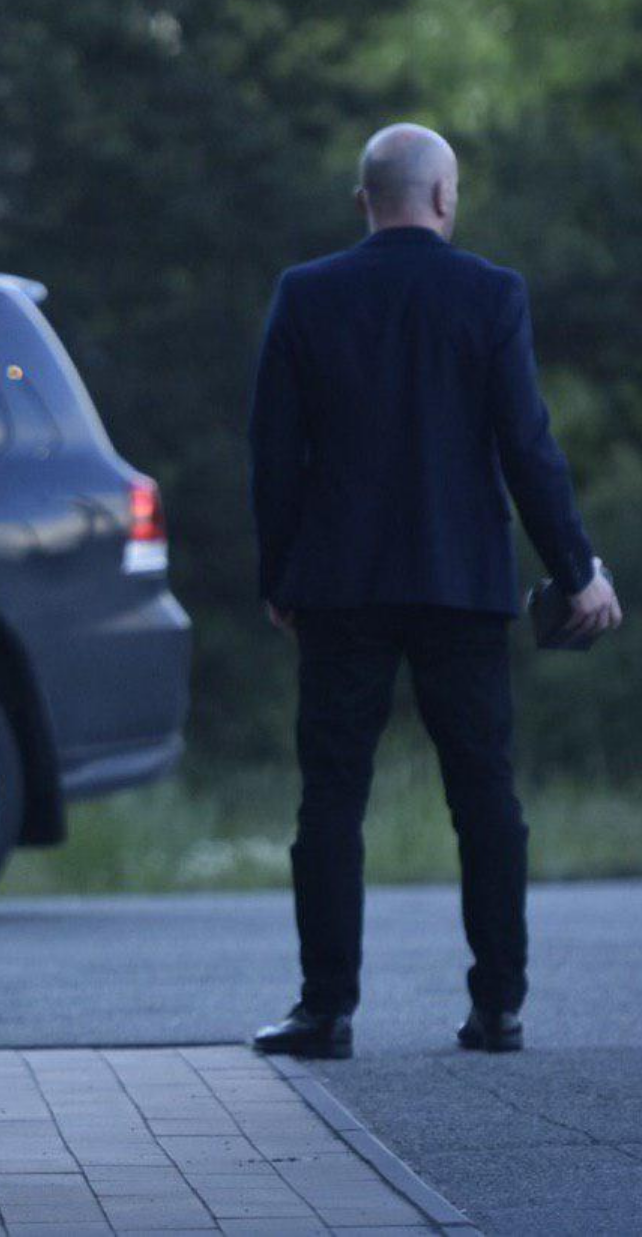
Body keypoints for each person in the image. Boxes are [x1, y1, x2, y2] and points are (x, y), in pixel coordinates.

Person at [247, 123, 622, 1060]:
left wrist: (280, 576)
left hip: (341, 586)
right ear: (446, 197)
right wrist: (578, 567)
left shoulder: (307, 293)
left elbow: (273, 453)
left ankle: (325, 1010)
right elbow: (527, 444)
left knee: (332, 797)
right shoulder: (491, 294)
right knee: (485, 796)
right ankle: (498, 1006)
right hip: (462, 583)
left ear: (363, 200)